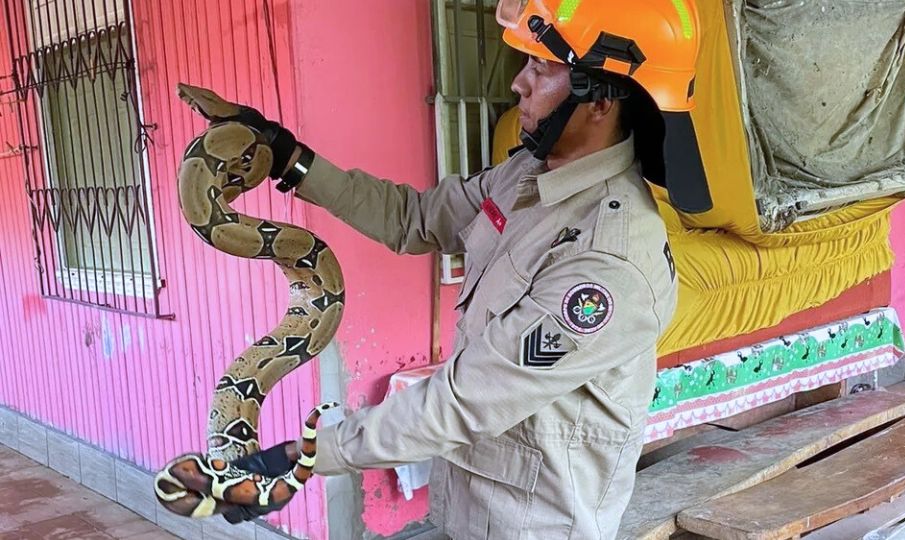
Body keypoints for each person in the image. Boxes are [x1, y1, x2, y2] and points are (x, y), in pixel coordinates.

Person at [222, 1, 701, 537]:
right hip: (467, 512)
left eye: (540, 69)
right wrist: (292, 162)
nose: (518, 84)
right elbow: (415, 218)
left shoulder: (608, 262)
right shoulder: (527, 175)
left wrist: (301, 458)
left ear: (600, 98)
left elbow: (464, 401)